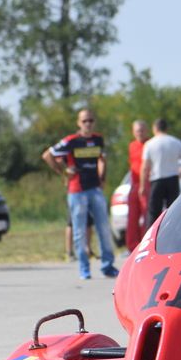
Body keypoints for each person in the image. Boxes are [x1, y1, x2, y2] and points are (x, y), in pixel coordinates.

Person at [42, 109, 118, 279]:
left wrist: (103, 178)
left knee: (104, 228)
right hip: (77, 191)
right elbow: (47, 155)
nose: (88, 124)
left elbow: (102, 159)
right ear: (78, 123)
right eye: (84, 121)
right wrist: (63, 172)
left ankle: (108, 266)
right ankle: (84, 268)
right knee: (80, 231)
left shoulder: (98, 139)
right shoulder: (71, 141)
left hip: (95, 189)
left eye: (90, 120)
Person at [140, 118, 181, 228]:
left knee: (153, 212)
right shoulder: (176, 142)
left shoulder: (149, 144)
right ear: (166, 128)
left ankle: (153, 236)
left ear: (155, 128)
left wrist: (142, 185)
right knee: (173, 211)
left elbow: (144, 167)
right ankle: (173, 234)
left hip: (157, 180)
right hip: (173, 179)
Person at [126, 119, 150, 251]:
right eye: (137, 131)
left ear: (146, 131)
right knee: (132, 216)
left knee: (146, 215)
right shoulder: (132, 146)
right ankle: (132, 246)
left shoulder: (150, 144)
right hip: (134, 184)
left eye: (141, 130)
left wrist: (144, 185)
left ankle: (144, 244)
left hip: (147, 184)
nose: (139, 133)